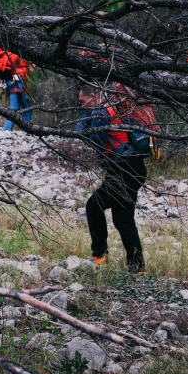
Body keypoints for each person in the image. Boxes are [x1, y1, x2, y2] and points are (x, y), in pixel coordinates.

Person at [76, 84, 150, 273]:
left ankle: (100, 257)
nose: (82, 105)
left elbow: (94, 141)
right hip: (134, 169)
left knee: (93, 207)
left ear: (93, 96)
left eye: (83, 101)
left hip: (123, 171)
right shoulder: (113, 107)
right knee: (123, 219)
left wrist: (85, 120)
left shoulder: (102, 113)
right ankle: (137, 267)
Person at [0, 48, 35, 131]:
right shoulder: (21, 54)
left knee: (26, 107)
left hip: (10, 81)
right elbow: (27, 66)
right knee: (15, 108)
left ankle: (25, 130)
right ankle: (8, 131)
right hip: (16, 81)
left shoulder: (8, 53)